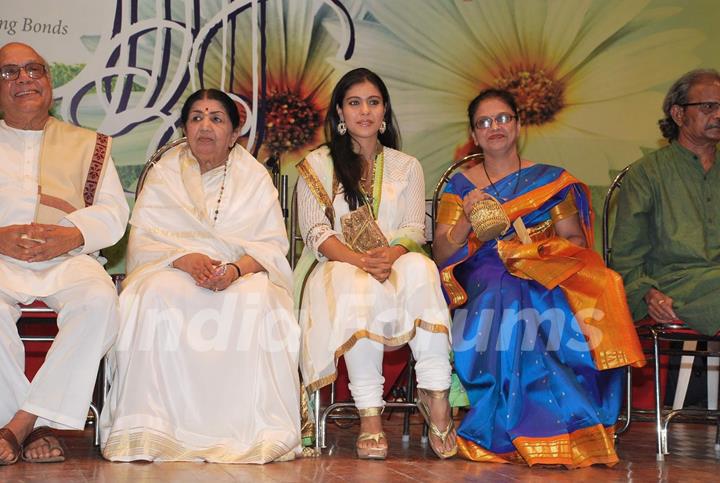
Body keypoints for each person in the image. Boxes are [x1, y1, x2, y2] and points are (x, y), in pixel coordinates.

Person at [433, 88, 645, 468]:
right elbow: (443, 253)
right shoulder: (461, 186)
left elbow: (575, 239)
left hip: (544, 262)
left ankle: (572, 427)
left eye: (502, 119)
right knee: (510, 292)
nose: (494, 127)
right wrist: (467, 217)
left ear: (517, 124)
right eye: (484, 122)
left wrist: (536, 248)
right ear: (474, 133)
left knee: (580, 287)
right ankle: (505, 428)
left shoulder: (549, 179)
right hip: (484, 270)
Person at [100, 89, 301, 463]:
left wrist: (236, 271)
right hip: (173, 269)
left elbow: (272, 247)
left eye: (216, 119)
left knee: (258, 300)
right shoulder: (164, 173)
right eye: (196, 118)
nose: (205, 126)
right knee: (151, 296)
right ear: (184, 128)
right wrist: (183, 258)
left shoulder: (254, 178)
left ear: (234, 132)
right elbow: (144, 241)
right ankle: (151, 427)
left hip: (239, 274)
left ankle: (251, 430)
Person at [294, 68, 456, 460]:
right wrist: (360, 260)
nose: (364, 111)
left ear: (384, 111)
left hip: (396, 262)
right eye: (354, 103)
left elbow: (415, 228)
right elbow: (316, 232)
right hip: (339, 267)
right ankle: (369, 413)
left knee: (423, 269)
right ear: (340, 113)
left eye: (373, 102)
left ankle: (436, 397)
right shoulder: (317, 165)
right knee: (356, 285)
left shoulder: (407, 165)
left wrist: (391, 255)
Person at [0, 42, 129, 465]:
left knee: (99, 301)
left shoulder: (87, 144)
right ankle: (35, 426)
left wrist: (72, 235)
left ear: (49, 82)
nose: (23, 79)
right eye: (9, 72)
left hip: (67, 260)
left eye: (33, 70)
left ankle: (18, 425)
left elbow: (113, 213)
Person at [612, 69, 720, 335]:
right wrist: (648, 294)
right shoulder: (647, 173)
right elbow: (625, 257)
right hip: (674, 285)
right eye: (708, 106)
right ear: (678, 114)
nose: (718, 115)